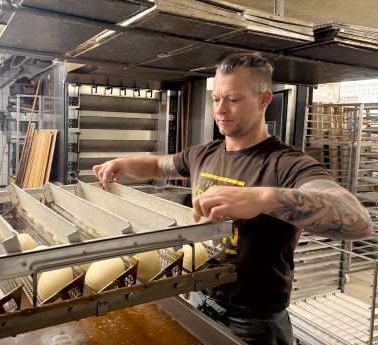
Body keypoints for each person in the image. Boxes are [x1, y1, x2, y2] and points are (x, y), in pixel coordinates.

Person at [93, 52, 373, 345]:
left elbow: (358, 222)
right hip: (200, 298)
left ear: (264, 99)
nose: (220, 110)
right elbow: (158, 165)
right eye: (216, 99)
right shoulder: (202, 154)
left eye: (233, 99)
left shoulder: (288, 164)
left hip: (254, 323)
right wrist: (124, 163)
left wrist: (263, 198)